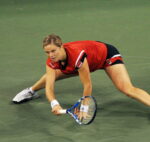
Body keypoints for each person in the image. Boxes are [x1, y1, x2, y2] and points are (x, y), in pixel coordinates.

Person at [12, 34, 150, 116]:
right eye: (47, 53)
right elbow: (49, 86)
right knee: (52, 76)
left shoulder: (77, 56)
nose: (51, 55)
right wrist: (54, 104)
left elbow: (87, 84)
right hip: (87, 59)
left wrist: (84, 108)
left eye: (53, 51)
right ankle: (31, 91)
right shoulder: (51, 61)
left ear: (62, 47)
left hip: (105, 55)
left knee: (126, 89)